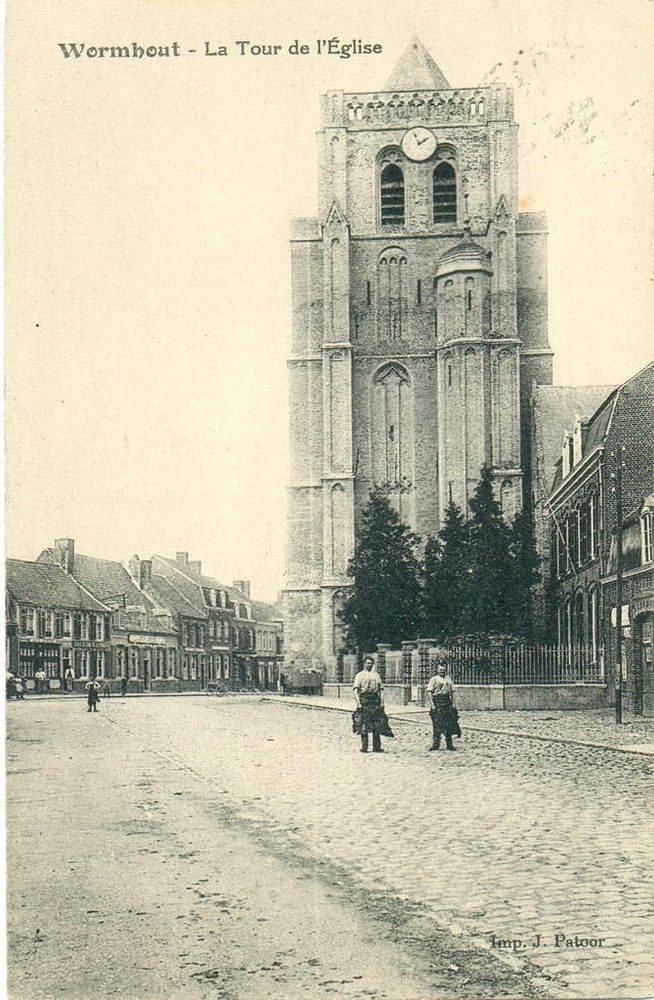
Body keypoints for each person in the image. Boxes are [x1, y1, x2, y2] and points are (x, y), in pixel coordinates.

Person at [352, 656, 390, 753]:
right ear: (364, 663)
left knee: (377, 724)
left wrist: (382, 702)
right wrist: (359, 703)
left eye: (371, 663)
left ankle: (377, 747)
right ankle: (364, 747)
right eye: (368, 663)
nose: (370, 665)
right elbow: (356, 690)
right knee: (364, 724)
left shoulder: (376, 675)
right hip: (365, 699)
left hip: (375, 700)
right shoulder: (360, 675)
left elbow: (381, 689)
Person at [427, 662, 459, 751]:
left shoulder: (448, 679)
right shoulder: (434, 679)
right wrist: (432, 705)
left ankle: (449, 744)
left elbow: (453, 692)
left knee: (449, 724)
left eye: (443, 670)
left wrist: (454, 704)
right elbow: (429, 692)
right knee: (437, 724)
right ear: (437, 670)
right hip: (437, 702)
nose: (442, 671)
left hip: (447, 702)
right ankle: (435, 744)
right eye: (440, 670)